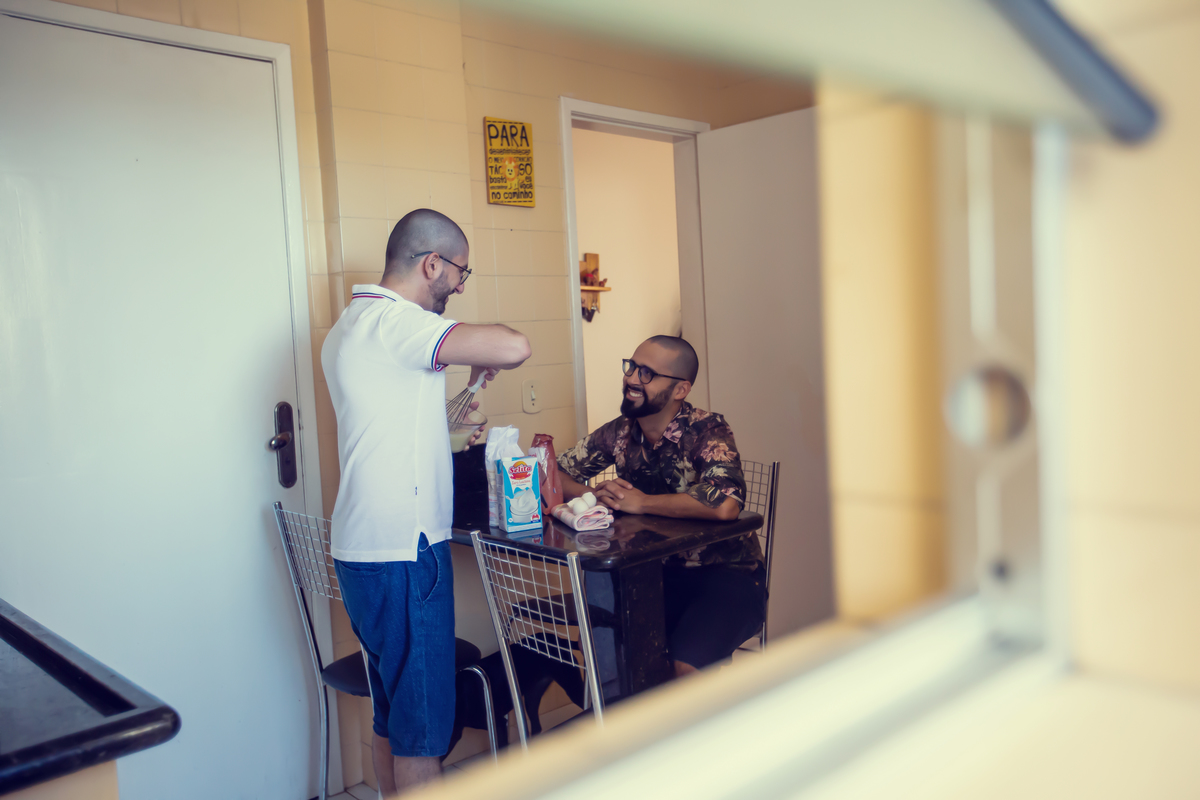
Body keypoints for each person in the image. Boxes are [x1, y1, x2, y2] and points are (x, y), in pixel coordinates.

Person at [321, 209, 530, 796]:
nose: (460, 286)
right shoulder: (399, 323)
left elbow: (401, 426)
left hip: (362, 548)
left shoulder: (352, 325)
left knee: (393, 715)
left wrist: (467, 387)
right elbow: (516, 344)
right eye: (459, 273)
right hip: (406, 552)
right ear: (431, 264)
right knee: (423, 733)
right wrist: (471, 350)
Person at [556, 335, 765, 678]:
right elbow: (553, 472)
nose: (632, 379)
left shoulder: (707, 429)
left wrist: (641, 503)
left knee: (685, 666)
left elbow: (726, 504)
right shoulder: (621, 431)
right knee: (610, 653)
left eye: (647, 374)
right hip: (652, 573)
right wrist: (592, 494)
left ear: (681, 390)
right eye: (632, 367)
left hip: (728, 575)